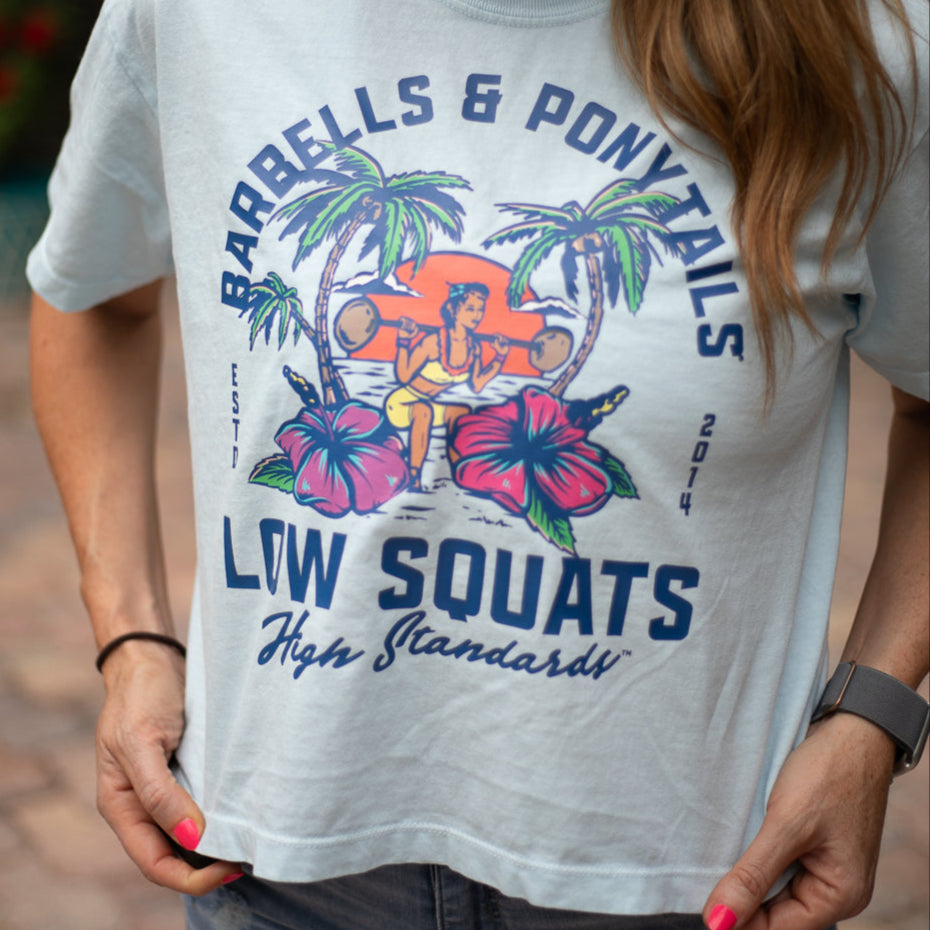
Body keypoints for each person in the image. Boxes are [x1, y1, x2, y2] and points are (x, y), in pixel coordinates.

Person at [27, 1, 928, 928]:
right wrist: (131, 639)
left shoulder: (860, 48)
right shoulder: (194, 18)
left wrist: (874, 712)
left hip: (676, 878)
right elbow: (90, 295)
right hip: (280, 865)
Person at [385, 282, 510, 489]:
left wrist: (499, 357)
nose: (476, 315)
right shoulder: (434, 342)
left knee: (460, 412)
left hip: (427, 404)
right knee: (423, 410)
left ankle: (459, 468)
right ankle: (414, 475)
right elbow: (404, 375)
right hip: (400, 404)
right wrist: (404, 341)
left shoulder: (474, 347)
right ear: (453, 309)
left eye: (480, 310)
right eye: (470, 308)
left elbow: (477, 385)